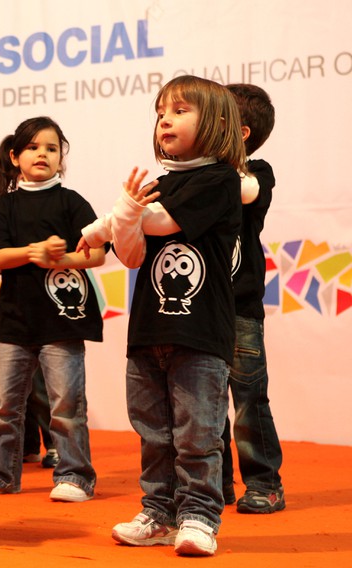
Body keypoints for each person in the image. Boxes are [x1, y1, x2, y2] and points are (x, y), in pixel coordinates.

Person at [79, 75, 245, 556]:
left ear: (217, 124)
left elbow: (161, 222)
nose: (165, 120)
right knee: (154, 434)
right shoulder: (156, 187)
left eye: (179, 111)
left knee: (198, 434)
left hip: (200, 333)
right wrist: (116, 222)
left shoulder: (219, 180)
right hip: (148, 331)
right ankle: (158, 512)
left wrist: (113, 217)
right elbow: (132, 252)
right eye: (160, 113)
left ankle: (199, 516)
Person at [0, 116, 106, 503]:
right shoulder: (6, 205)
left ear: (62, 158)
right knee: (6, 406)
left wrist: (61, 260)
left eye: (51, 148)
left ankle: (75, 476)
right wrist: (34, 252)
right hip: (15, 321)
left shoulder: (72, 202)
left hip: (64, 321)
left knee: (67, 405)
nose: (42, 154)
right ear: (15, 157)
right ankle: (0, 473)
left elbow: (97, 253)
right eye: (33, 147)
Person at [221, 83, 284, 514]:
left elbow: (245, 189)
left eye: (214, 116)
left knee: (248, 400)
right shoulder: (193, 174)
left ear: (241, 133)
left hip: (241, 309)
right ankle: (215, 482)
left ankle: (264, 482)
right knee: (204, 404)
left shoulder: (257, 172)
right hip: (200, 310)